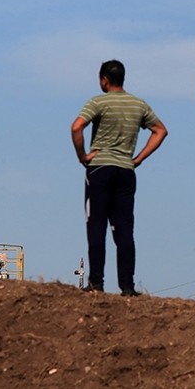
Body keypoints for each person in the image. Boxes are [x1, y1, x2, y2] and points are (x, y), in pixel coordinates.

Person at [71, 60, 168, 296]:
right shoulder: (138, 104)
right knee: (124, 229)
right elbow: (160, 131)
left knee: (96, 226)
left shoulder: (98, 102)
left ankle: (96, 283)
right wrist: (138, 158)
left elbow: (77, 127)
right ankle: (127, 286)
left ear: (104, 79)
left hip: (99, 169)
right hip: (126, 170)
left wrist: (83, 156)